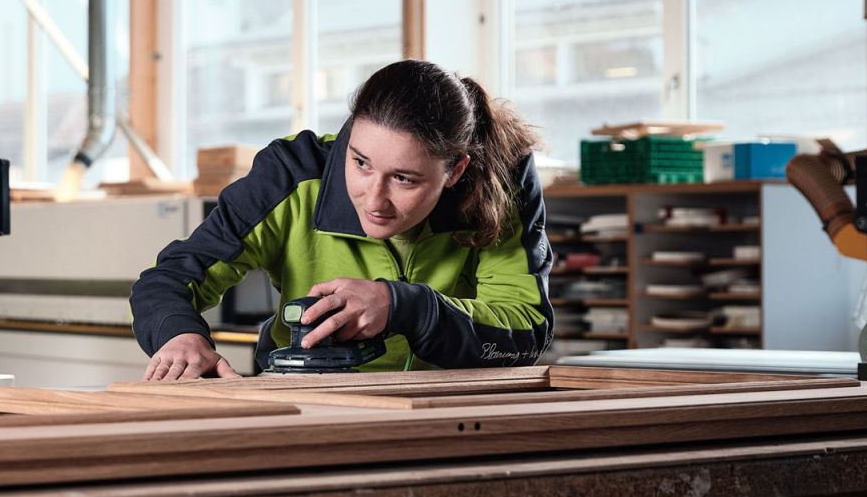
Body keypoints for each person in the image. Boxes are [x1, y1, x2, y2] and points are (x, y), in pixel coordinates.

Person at [131, 59, 553, 380]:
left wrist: (405, 308)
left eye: (404, 179)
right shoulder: (289, 174)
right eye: (361, 163)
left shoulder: (501, 183)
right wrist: (180, 336)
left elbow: (526, 335)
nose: (374, 199)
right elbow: (170, 278)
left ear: (456, 171)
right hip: (300, 406)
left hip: (448, 414)